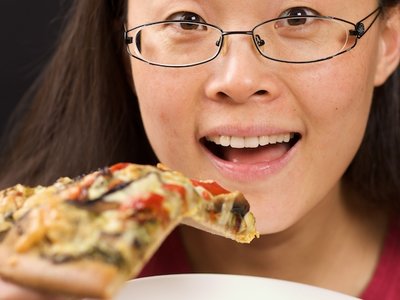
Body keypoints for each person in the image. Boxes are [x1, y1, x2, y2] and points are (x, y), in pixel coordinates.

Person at [0, 0, 399, 299]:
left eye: (299, 17)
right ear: (126, 55)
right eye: (186, 21)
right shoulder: (23, 255)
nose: (239, 79)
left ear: (387, 42)